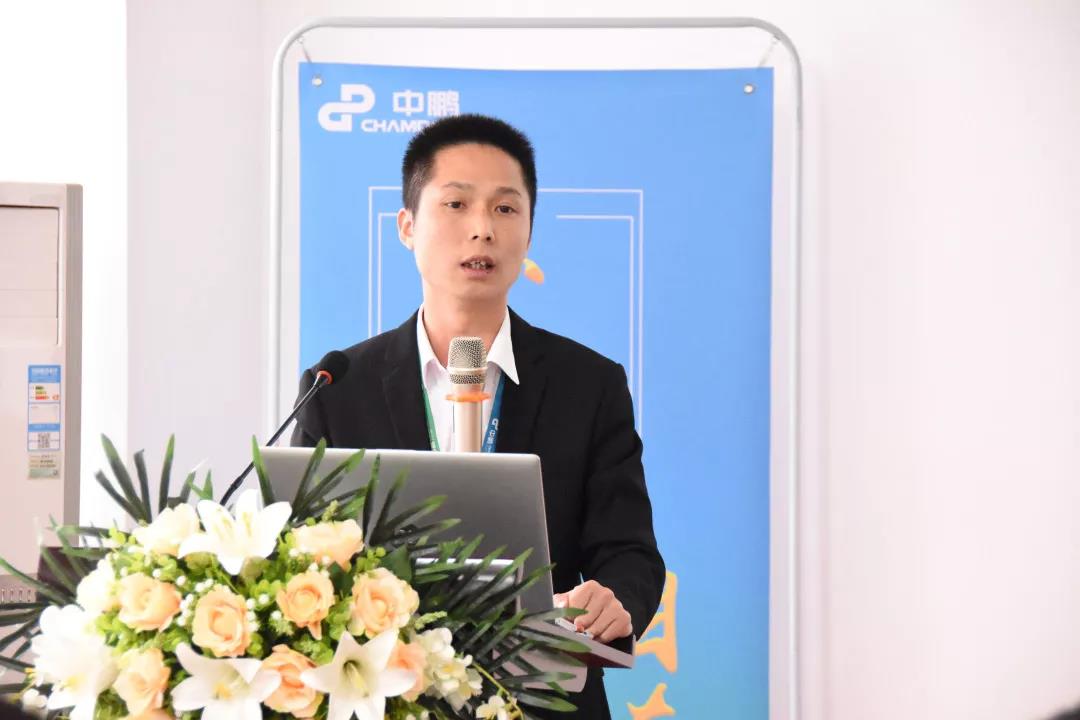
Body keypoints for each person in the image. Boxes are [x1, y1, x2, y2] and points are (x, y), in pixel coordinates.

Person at [291, 113, 665, 718]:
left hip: (545, 700)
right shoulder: (338, 386)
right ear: (407, 226)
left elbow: (629, 550)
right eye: (456, 204)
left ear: (529, 230)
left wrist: (612, 599)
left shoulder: (588, 384)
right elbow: (301, 556)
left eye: (505, 208)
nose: (482, 229)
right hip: (386, 698)